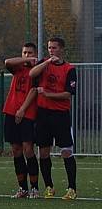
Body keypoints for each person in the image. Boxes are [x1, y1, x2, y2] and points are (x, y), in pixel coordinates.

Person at [29, 36, 78, 199]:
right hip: (43, 114)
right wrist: (46, 62)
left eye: (54, 48)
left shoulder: (69, 69)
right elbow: (31, 74)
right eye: (49, 48)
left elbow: (68, 94)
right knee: (43, 152)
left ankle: (72, 189)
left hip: (61, 115)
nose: (51, 50)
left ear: (61, 49)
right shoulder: (44, 64)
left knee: (66, 152)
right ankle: (49, 187)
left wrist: (48, 94)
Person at [3, 43, 40, 198]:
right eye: (24, 52)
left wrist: (23, 109)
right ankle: (22, 188)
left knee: (28, 149)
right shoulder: (17, 67)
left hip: (28, 113)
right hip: (10, 112)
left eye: (30, 53)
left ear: (35, 54)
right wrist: (24, 60)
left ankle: (34, 188)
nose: (27, 55)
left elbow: (33, 90)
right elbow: (7, 62)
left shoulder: (37, 70)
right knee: (16, 150)